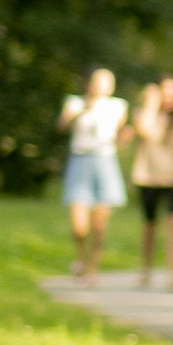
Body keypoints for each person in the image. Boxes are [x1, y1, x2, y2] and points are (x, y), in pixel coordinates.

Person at [128, 77, 173, 286]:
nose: (170, 99)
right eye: (166, 93)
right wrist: (150, 102)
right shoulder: (144, 114)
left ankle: (172, 272)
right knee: (149, 226)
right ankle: (146, 270)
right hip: (149, 177)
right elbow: (143, 131)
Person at [57, 70, 126, 279]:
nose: (100, 86)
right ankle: (80, 258)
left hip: (104, 161)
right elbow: (61, 126)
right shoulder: (75, 103)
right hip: (80, 159)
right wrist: (82, 111)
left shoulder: (118, 106)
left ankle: (92, 269)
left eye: (106, 83)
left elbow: (119, 135)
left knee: (98, 224)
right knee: (79, 225)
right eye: (97, 82)